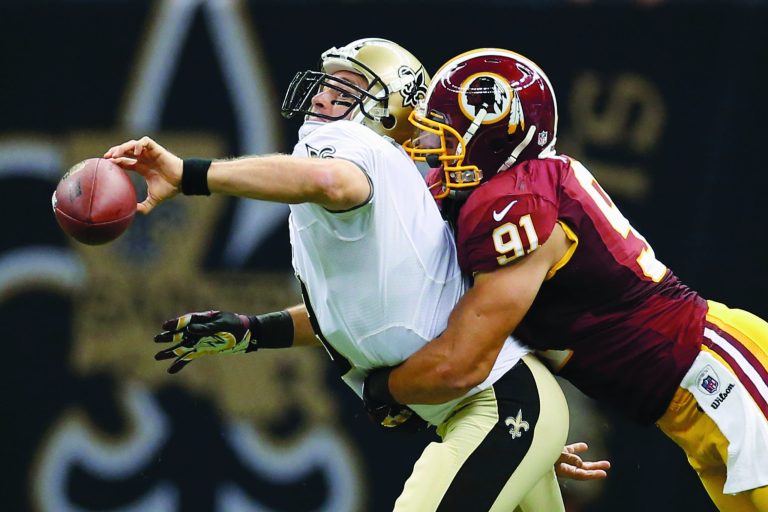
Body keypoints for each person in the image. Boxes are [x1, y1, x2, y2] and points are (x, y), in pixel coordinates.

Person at [105, 39, 601, 512]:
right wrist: (254, 331)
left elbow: (329, 180)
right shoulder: (390, 181)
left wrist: (190, 175)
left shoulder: (348, 146)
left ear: (389, 113)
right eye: (326, 84)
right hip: (501, 405)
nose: (323, 96)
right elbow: (361, 312)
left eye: (346, 90)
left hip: (495, 405)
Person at [365, 47, 768, 511]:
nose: (434, 152)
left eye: (447, 135)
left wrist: (381, 390)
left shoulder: (518, 205)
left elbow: (464, 360)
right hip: (686, 404)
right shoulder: (499, 202)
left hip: (716, 369)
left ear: (494, 133)